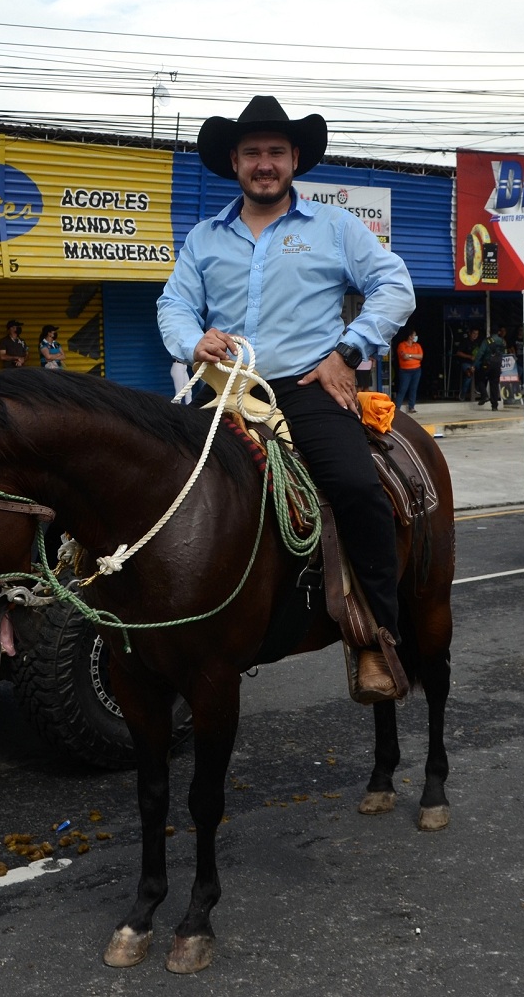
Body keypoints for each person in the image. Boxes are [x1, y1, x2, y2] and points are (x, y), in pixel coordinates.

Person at [157, 94, 416, 704]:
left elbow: (394, 284)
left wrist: (346, 353)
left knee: (357, 490)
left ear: (294, 158)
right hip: (224, 394)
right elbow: (173, 304)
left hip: (305, 389)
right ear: (235, 162)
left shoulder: (334, 227)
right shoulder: (202, 238)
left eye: (276, 151)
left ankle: (378, 640)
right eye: (253, 153)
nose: (264, 163)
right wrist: (194, 341)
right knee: (153, 490)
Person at [475, 326, 506, 411]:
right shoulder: (502, 341)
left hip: (487, 364)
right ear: (498, 332)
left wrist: (475, 364)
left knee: (479, 378)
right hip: (497, 364)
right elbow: (504, 352)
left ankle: (484, 396)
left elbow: (480, 353)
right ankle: (494, 406)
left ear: (490, 332)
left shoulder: (487, 341)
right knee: (494, 384)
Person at [395, 328, 422, 413]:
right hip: (405, 371)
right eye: (414, 335)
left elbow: (420, 357)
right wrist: (414, 356)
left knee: (413, 389)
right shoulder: (402, 345)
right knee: (403, 389)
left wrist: (410, 355)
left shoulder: (417, 345)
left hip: (416, 370)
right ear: (410, 336)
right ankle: (397, 409)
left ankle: (412, 407)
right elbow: (404, 357)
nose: (415, 336)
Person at [454, 327, 481, 401]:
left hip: (476, 363)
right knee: (469, 374)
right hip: (466, 362)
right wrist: (469, 356)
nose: (475, 335)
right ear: (470, 333)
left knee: (484, 369)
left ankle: (478, 388)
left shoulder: (478, 342)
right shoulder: (465, 341)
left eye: (477, 334)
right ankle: (463, 394)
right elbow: (458, 353)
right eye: (474, 333)